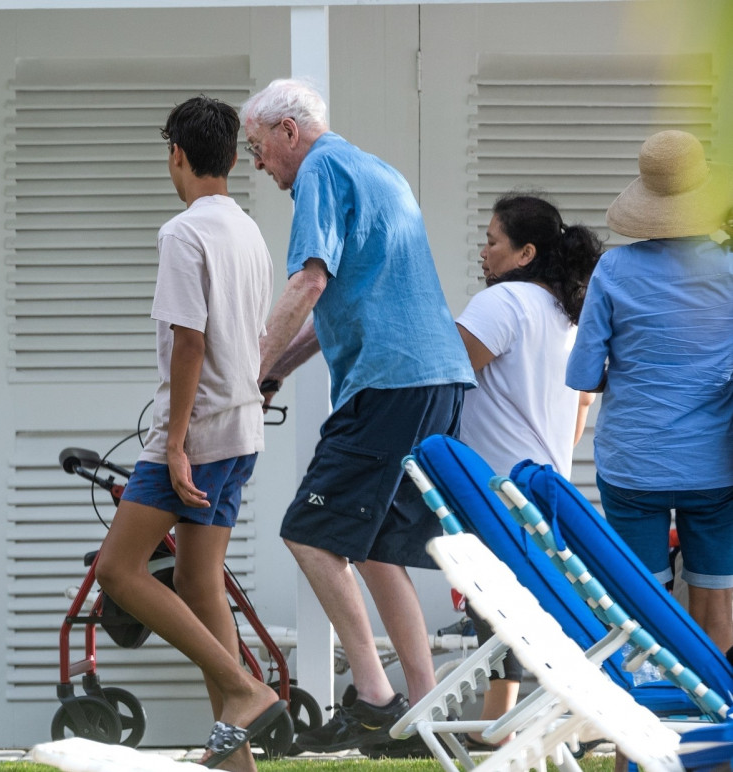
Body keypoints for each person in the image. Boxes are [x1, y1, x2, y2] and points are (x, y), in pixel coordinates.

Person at [239, 78, 476, 755]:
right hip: (433, 380)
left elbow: (309, 282)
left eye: (259, 148)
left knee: (310, 531)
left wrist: (252, 364)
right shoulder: (373, 168)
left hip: (391, 383)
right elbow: (348, 296)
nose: (259, 163)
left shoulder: (319, 169)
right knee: (374, 545)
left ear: (290, 131)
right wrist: (280, 367)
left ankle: (374, 699)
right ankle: (422, 714)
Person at [94, 96, 286, 772]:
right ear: (233, 158)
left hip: (198, 434)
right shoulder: (249, 231)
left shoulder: (183, 233)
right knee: (202, 586)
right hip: (241, 432)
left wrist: (173, 443)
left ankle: (244, 687)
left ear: (176, 153)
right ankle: (236, 761)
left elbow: (189, 340)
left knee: (118, 571)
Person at [566, 129, 733, 654]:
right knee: (716, 605)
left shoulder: (613, 269)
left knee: (642, 604)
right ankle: (718, 718)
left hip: (634, 464)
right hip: (716, 465)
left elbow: (586, 376)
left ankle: (646, 721)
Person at [455, 193, 602, 747]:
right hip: (544, 485)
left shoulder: (503, 303)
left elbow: (446, 374)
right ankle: (503, 721)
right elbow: (583, 405)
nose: (484, 250)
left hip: (495, 485)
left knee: (495, 606)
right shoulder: (566, 313)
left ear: (525, 253)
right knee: (517, 606)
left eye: (493, 241)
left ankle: (514, 721)